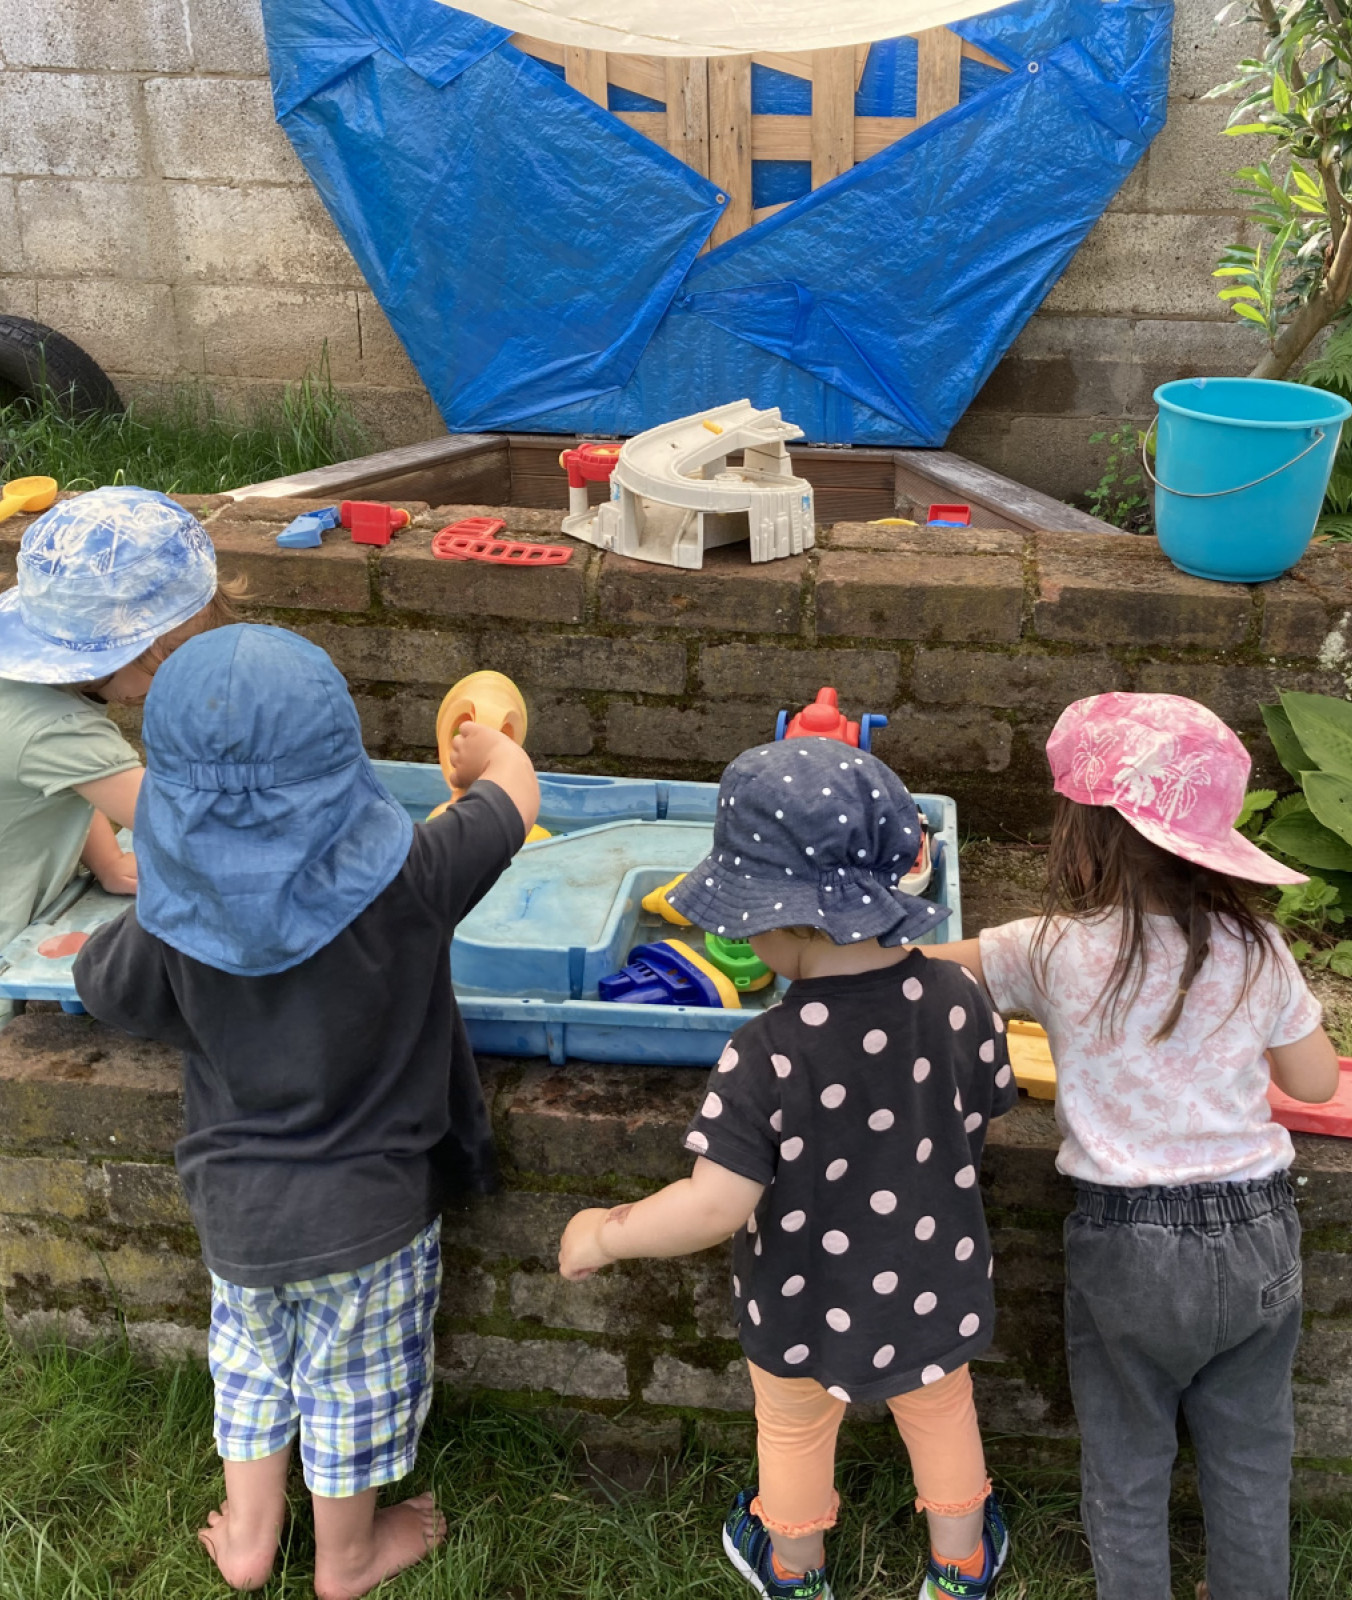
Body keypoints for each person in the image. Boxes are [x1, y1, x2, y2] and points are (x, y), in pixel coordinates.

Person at [73, 624, 541, 1600]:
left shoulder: (171, 918)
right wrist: (490, 752)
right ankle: (348, 1556)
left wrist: (120, 927)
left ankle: (250, 1538)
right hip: (371, 1215)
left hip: (235, 1216)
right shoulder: (413, 876)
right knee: (350, 1387)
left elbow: (104, 987)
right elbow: (512, 804)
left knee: (250, 1369)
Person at [559, 739, 1017, 1600]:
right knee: (942, 1411)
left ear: (779, 920)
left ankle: (795, 1570)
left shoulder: (765, 1053)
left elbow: (713, 1207)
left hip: (802, 1296)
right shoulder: (964, 1001)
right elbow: (984, 1108)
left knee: (796, 1430)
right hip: (936, 1276)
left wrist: (606, 1233)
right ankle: (960, 1570)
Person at [926, 693, 1340, 1600]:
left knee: (1127, 1459)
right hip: (1260, 1233)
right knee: (1252, 1453)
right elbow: (1316, 1083)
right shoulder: (1261, 949)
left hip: (1127, 1245)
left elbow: (922, 974)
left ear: (1084, 835)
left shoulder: (1051, 949)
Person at [0, 488, 240, 987]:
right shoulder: (59, 729)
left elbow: (67, 780)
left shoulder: (26, 689)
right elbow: (192, 829)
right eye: (170, 661)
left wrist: (108, 860)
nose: (175, 680)